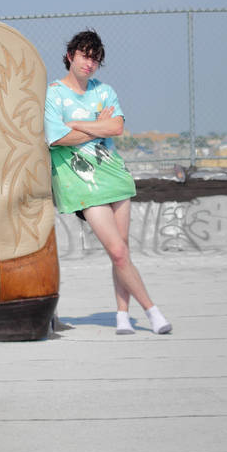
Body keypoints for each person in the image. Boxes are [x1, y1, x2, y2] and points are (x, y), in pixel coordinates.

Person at [44, 30, 171, 335]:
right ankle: (153, 312)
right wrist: (96, 125)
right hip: (83, 183)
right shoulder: (53, 94)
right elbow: (57, 137)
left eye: (95, 59)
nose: (89, 63)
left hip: (114, 175)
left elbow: (116, 128)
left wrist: (77, 124)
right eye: (84, 56)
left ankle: (122, 316)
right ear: (70, 56)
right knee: (117, 252)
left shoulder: (104, 91)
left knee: (122, 251)